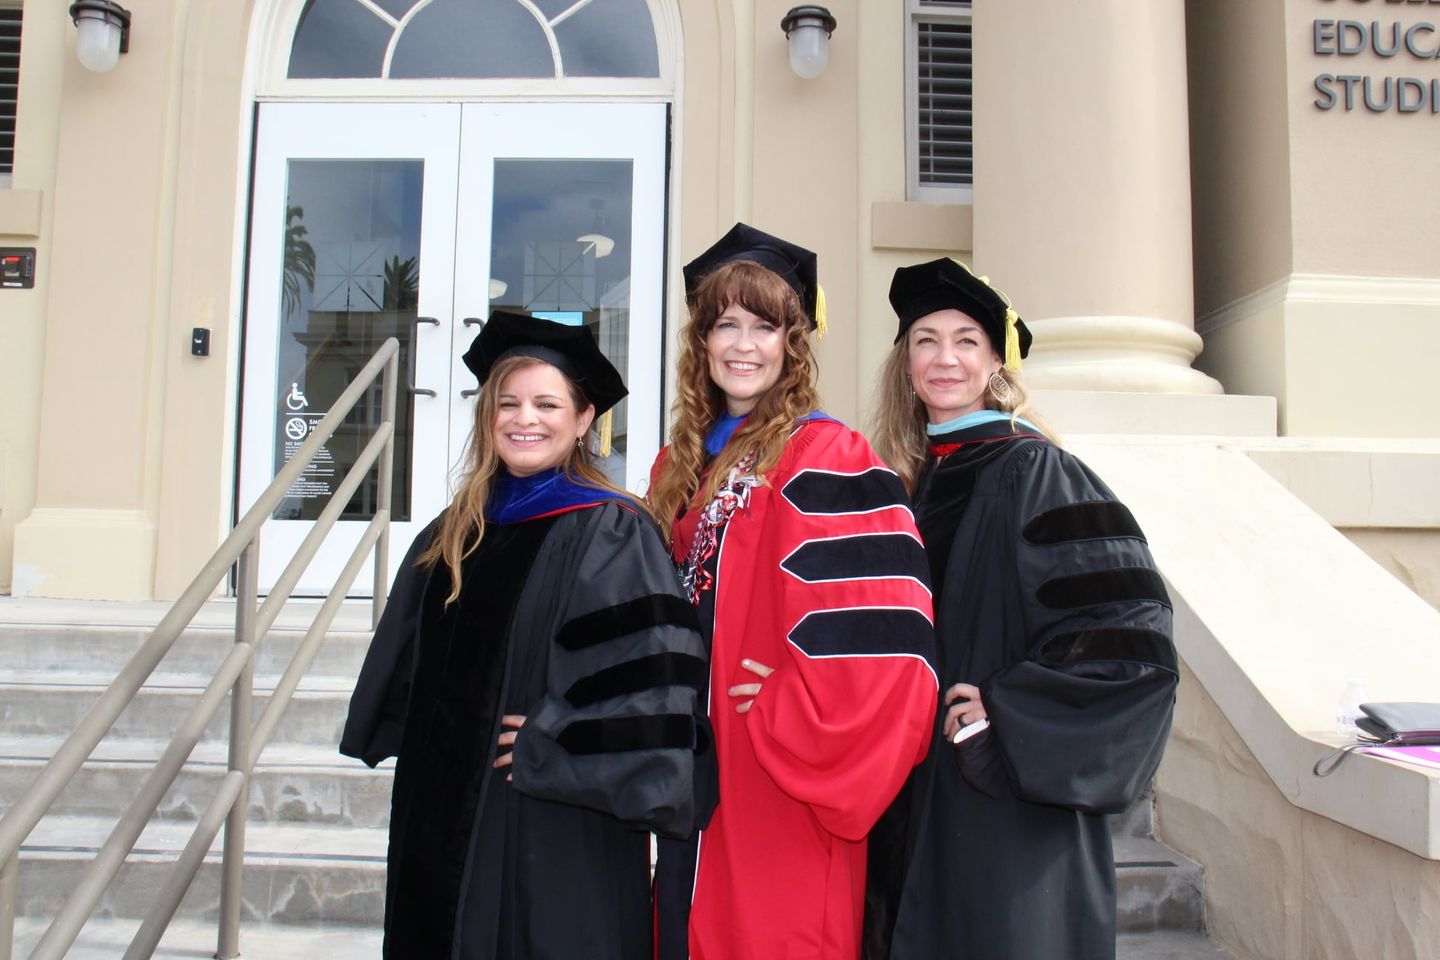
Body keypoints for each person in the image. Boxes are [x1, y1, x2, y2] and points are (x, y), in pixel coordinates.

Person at [340, 311, 708, 960]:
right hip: (439, 811)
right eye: (507, 404)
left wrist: (560, 737)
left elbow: (648, 683)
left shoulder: (612, 531)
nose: (523, 418)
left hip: (551, 817)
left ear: (583, 419)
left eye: (545, 403)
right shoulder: (454, 532)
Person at [861, 258, 1180, 960]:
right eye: (926, 340)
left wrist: (1003, 713)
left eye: (967, 339)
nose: (945, 357)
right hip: (911, 799)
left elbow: (1129, 636)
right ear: (905, 364)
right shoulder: (912, 486)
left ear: (996, 362)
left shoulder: (1035, 471)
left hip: (1001, 801)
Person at [648, 223, 939, 960]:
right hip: (688, 758)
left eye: (765, 327)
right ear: (702, 341)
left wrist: (796, 705)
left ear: (792, 343)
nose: (743, 345)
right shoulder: (674, 466)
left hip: (772, 763)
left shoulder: (828, 453)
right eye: (725, 325)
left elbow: (884, 627)